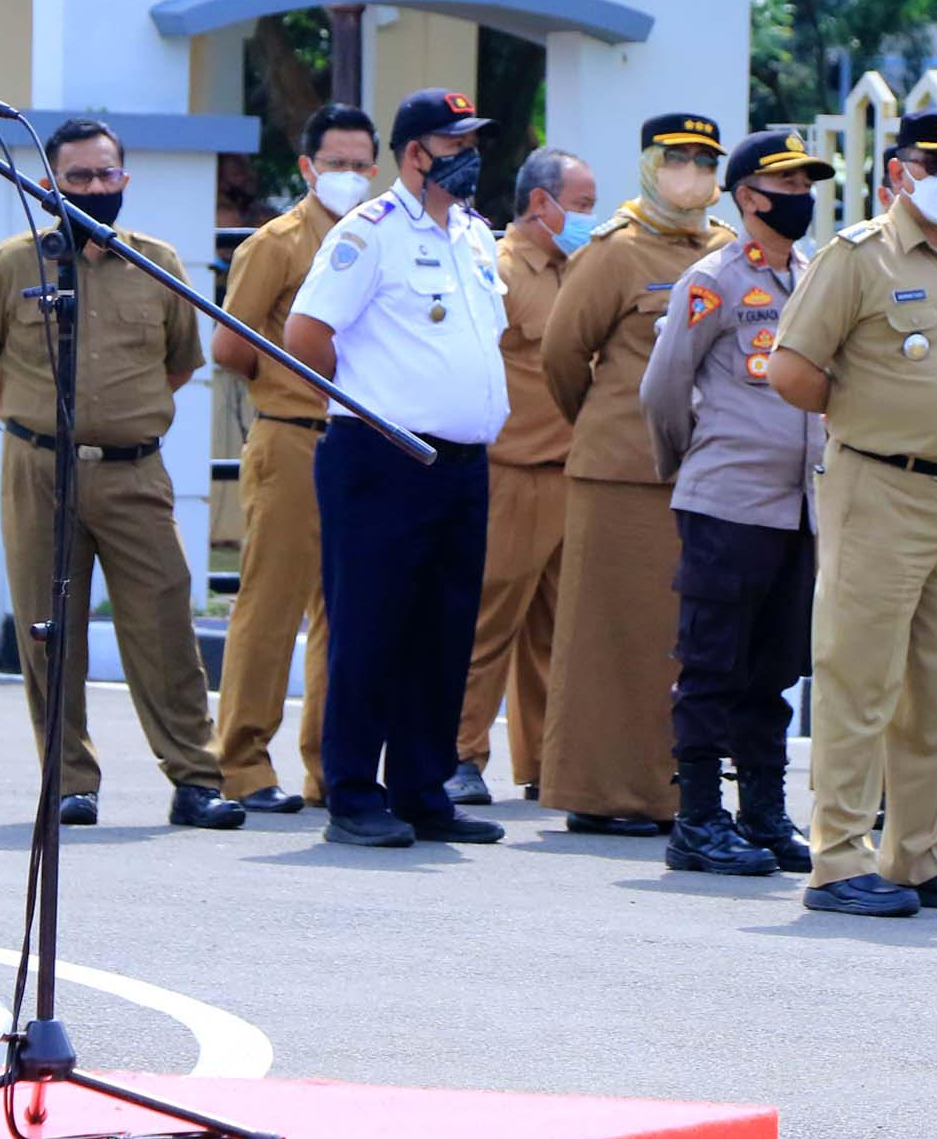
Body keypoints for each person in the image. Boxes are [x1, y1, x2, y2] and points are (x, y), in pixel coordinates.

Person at [770, 108, 937, 918]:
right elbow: (792, 370)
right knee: (860, 680)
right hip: (879, 485)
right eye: (936, 162)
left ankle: (916, 856)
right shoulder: (858, 257)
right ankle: (838, 861)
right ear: (900, 169)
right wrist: (869, 414)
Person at [0, 119, 231, 831]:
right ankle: (70, 780)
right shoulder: (14, 265)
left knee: (165, 625)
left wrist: (118, 422)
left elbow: (179, 363)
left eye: (106, 176)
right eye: (78, 178)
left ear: (125, 181)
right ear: (49, 186)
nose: (94, 189)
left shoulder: (157, 261)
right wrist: (33, 423)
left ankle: (196, 779)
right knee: (52, 631)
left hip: (135, 471)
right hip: (39, 470)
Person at [283, 88, 511, 849]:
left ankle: (421, 787)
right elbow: (307, 334)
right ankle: (352, 790)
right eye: (456, 144)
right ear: (417, 154)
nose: (470, 155)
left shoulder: (474, 236)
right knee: (371, 625)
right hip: (381, 456)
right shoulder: (370, 232)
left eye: (473, 140)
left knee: (443, 630)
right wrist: (371, 405)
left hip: (459, 462)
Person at [639, 130, 835, 876]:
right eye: (786, 186)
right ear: (748, 195)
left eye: (806, 185)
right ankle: (696, 819)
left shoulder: (815, 277)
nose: (800, 199)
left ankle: (761, 814)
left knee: (773, 670)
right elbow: (663, 388)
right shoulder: (713, 279)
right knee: (712, 664)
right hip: (728, 501)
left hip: (798, 508)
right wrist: (690, 465)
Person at [537, 114, 736, 836]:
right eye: (677, 158)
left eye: (704, 160)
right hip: (622, 475)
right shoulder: (614, 253)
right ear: (650, 164)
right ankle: (603, 793)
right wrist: (607, 427)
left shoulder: (726, 250)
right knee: (612, 639)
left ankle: (672, 790)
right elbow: (562, 356)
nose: (692, 172)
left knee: (681, 643)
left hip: (709, 473)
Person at [209, 105, 379, 816]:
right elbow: (229, 349)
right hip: (290, 433)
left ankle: (327, 767)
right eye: (335, 162)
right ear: (308, 167)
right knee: (271, 607)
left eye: (361, 163)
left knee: (347, 613)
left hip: (360, 438)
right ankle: (242, 764)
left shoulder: (381, 238)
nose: (349, 175)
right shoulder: (275, 243)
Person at [449, 145, 597, 805]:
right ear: (543, 202)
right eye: (584, 205)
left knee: (559, 633)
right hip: (511, 471)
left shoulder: (583, 269)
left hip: (576, 472)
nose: (591, 218)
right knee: (486, 623)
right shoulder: (495, 269)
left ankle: (547, 761)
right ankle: (457, 754)